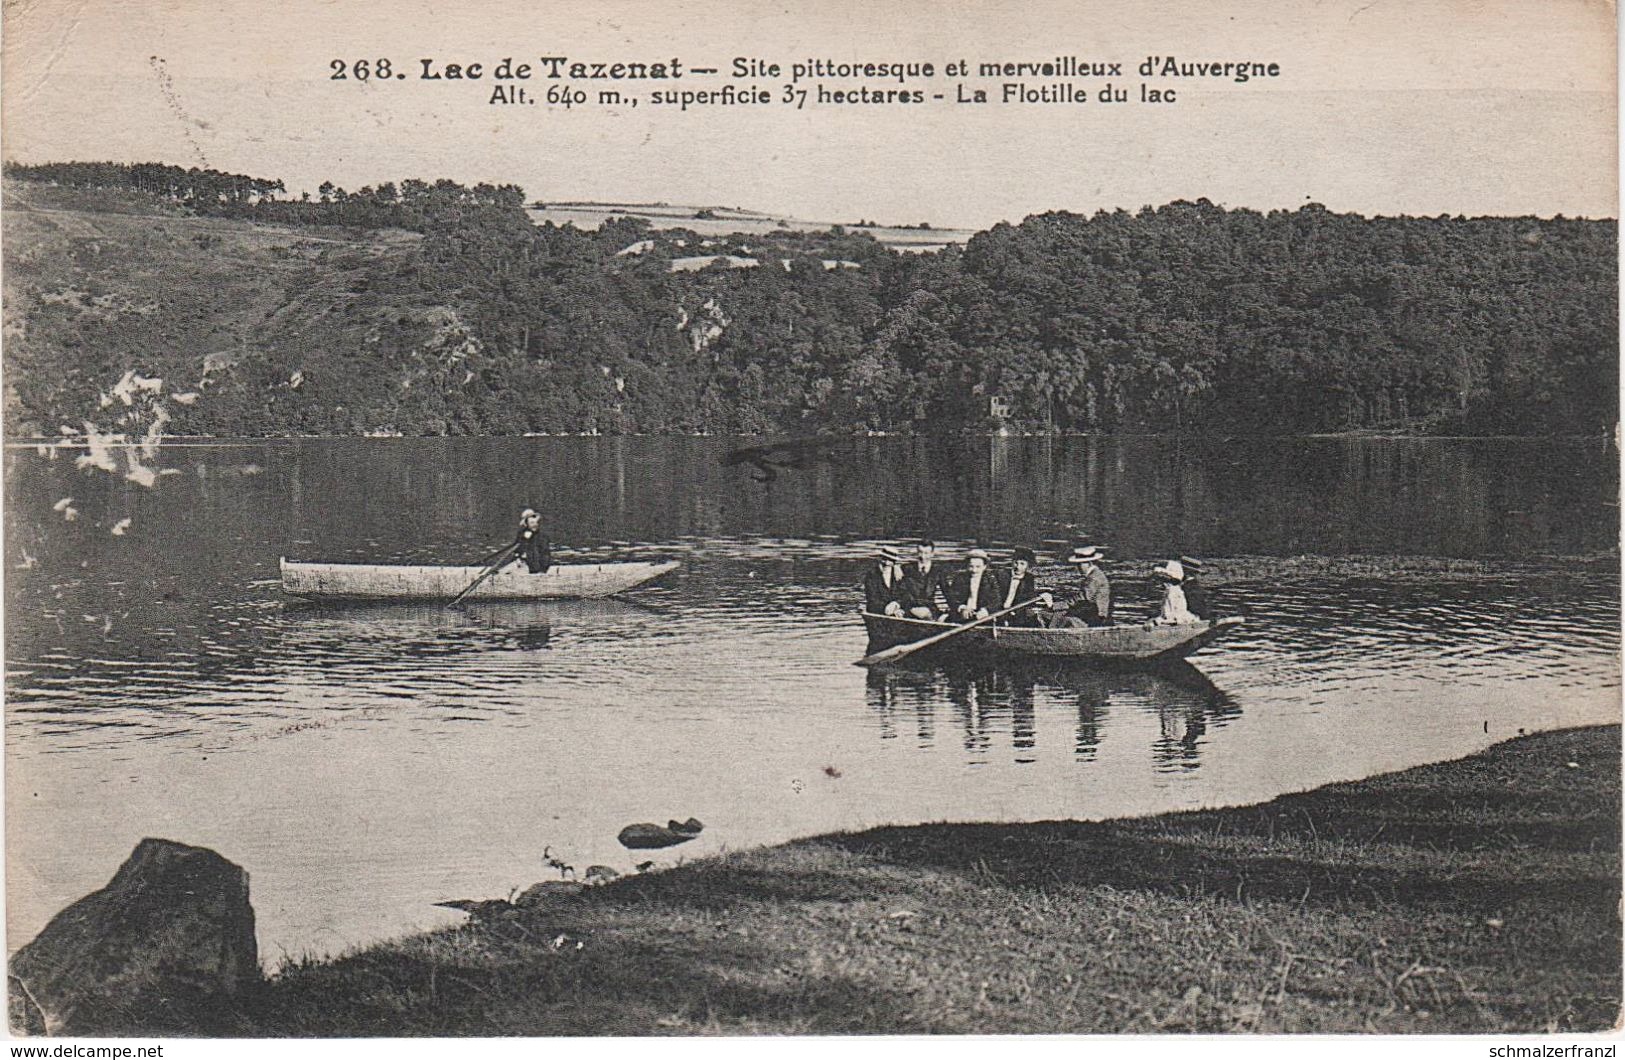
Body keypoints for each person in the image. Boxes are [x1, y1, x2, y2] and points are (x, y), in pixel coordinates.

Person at [1047, 545, 1112, 628]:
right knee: (1059, 613)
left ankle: (1051, 633)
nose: (1078, 567)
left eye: (1080, 564)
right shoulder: (1095, 575)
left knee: (1059, 616)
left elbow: (1081, 598)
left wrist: (1054, 605)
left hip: (1097, 618)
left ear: (1089, 563)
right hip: (1094, 614)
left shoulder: (1094, 578)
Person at [946, 548, 1006, 623]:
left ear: (984, 567)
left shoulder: (991, 580)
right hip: (963, 614)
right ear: (967, 566)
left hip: (982, 616)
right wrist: (962, 608)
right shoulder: (960, 578)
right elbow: (952, 597)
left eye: (978, 567)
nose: (974, 570)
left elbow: (996, 601)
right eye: (971, 566)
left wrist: (985, 611)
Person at [996, 547, 1051, 626]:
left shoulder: (1029, 578)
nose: (1018, 567)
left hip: (1014, 613)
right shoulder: (1001, 575)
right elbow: (994, 597)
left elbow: (1028, 597)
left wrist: (1042, 595)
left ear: (1028, 565)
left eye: (1022, 564)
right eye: (1016, 563)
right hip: (998, 612)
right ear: (1012, 562)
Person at [901, 539, 950, 620]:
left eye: (926, 553)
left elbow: (948, 593)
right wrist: (895, 567)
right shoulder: (906, 569)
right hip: (910, 608)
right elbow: (901, 591)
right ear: (916, 552)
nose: (923, 557)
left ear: (932, 554)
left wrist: (955, 610)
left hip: (930, 609)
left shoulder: (938, 571)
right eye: (920, 552)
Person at [862, 545, 908, 617]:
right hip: (877, 611)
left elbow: (905, 595)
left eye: (890, 560)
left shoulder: (899, 574)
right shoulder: (871, 575)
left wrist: (897, 604)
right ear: (880, 558)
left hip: (897, 610)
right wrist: (886, 609)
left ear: (894, 562)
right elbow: (872, 599)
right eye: (884, 559)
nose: (886, 563)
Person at [1151, 560, 1198, 625]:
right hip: (1174, 615)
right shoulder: (1174, 590)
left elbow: (1172, 615)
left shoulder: (1173, 590)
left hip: (1174, 617)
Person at [512, 508, 552, 574]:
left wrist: (542, 570)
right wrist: (517, 558)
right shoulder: (521, 534)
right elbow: (517, 549)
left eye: (536, 522)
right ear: (526, 524)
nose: (535, 525)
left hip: (539, 568)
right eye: (532, 523)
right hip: (525, 566)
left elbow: (546, 554)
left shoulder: (542, 537)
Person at [1179, 555, 1213, 620]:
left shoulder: (1191, 587)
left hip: (1192, 618)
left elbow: (1196, 608)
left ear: (1187, 571)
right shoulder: (1189, 584)